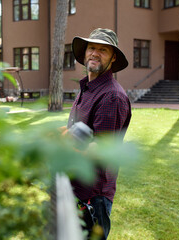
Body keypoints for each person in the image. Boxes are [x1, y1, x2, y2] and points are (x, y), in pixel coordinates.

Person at [67, 28, 132, 239]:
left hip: (92, 197)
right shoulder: (88, 87)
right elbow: (78, 132)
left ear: (113, 58)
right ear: (85, 52)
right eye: (92, 47)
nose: (95, 53)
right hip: (75, 188)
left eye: (103, 50)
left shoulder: (111, 97)